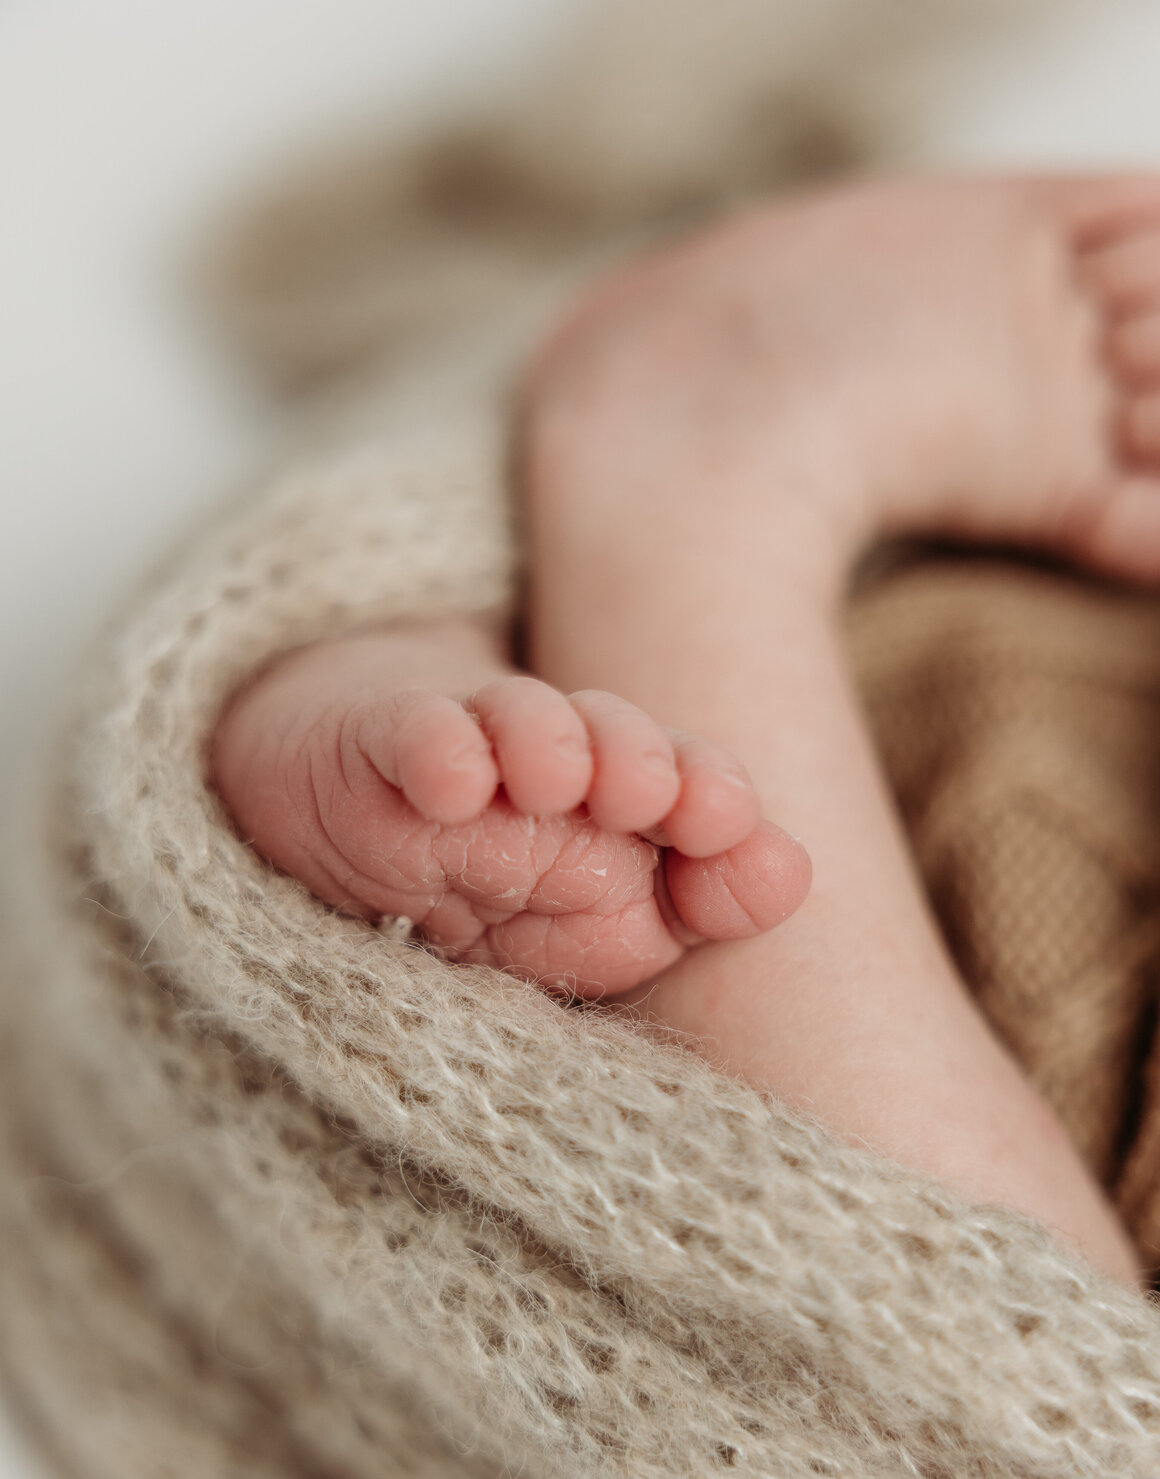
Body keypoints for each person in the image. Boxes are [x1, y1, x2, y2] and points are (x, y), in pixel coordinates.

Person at [211, 173, 1160, 1287]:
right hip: (1024, 629)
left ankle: (685, 497)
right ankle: (423, 664)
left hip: (910, 1034)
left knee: (994, 1342)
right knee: (511, 741)